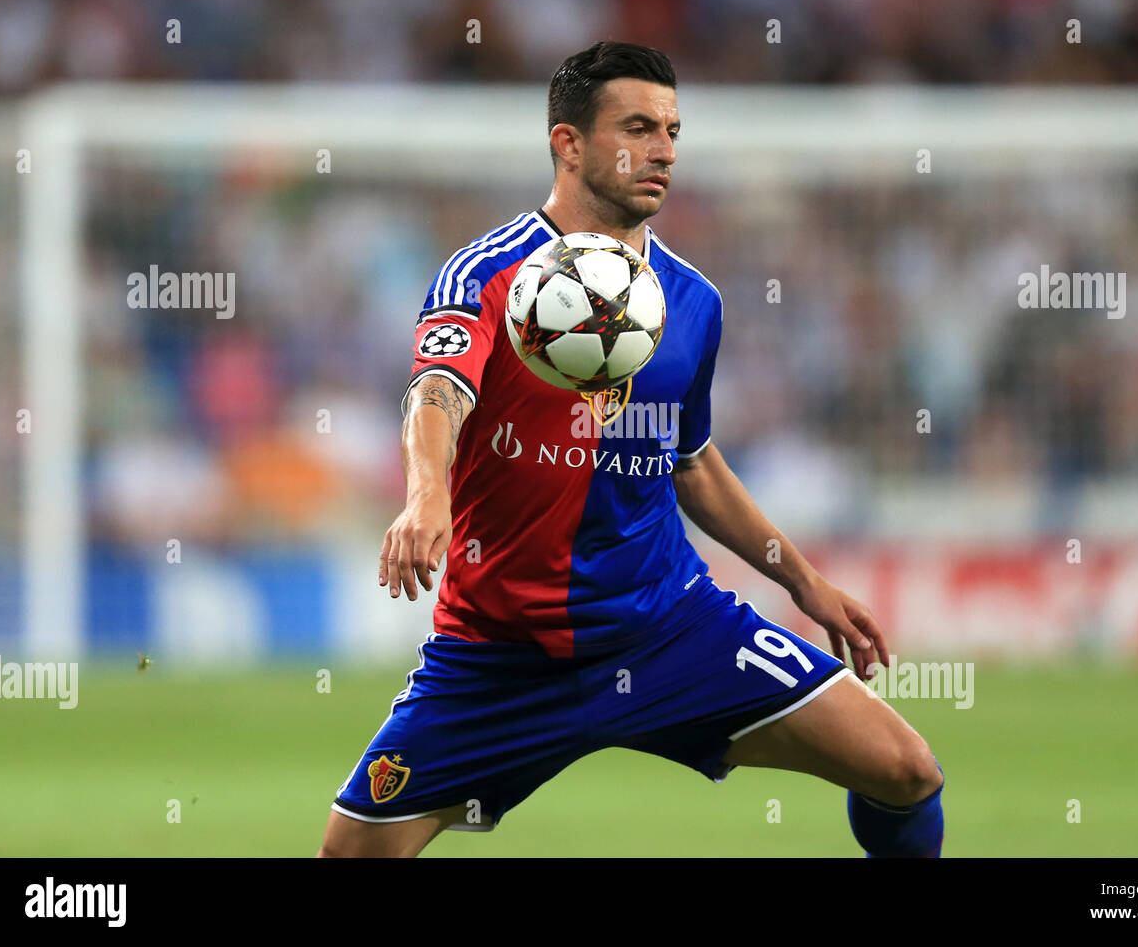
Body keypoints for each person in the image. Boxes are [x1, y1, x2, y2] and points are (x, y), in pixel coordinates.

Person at [318, 41, 944, 857]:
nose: (663, 152)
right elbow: (438, 390)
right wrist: (427, 492)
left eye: (673, 132)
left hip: (668, 628)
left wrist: (804, 581)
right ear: (568, 143)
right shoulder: (487, 275)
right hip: (499, 655)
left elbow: (690, 462)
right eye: (638, 128)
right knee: (351, 857)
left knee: (905, 769)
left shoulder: (692, 302)